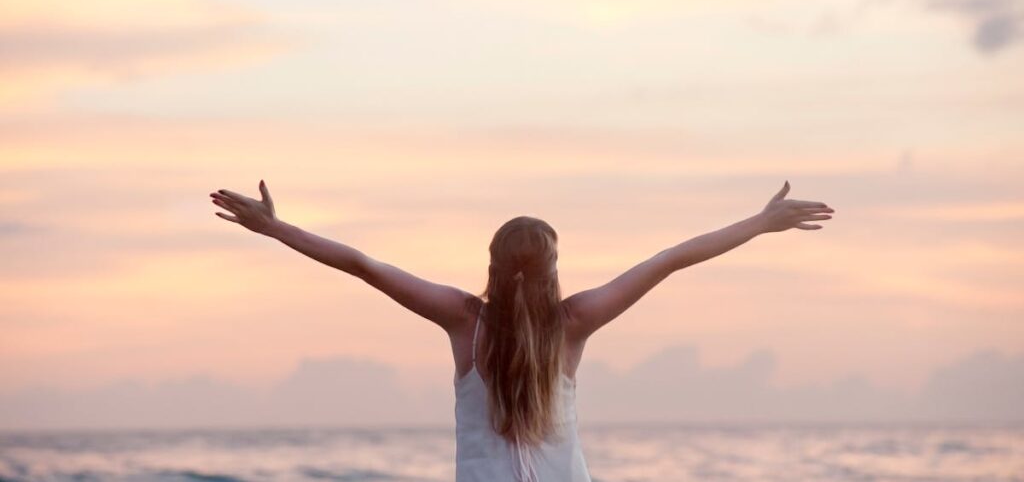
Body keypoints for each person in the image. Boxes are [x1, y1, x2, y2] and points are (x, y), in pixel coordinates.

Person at [209, 179, 833, 481]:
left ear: (492, 262)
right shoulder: (576, 322)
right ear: (554, 269)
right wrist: (759, 222)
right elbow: (671, 259)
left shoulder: (463, 320)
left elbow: (362, 265)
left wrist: (276, 229)